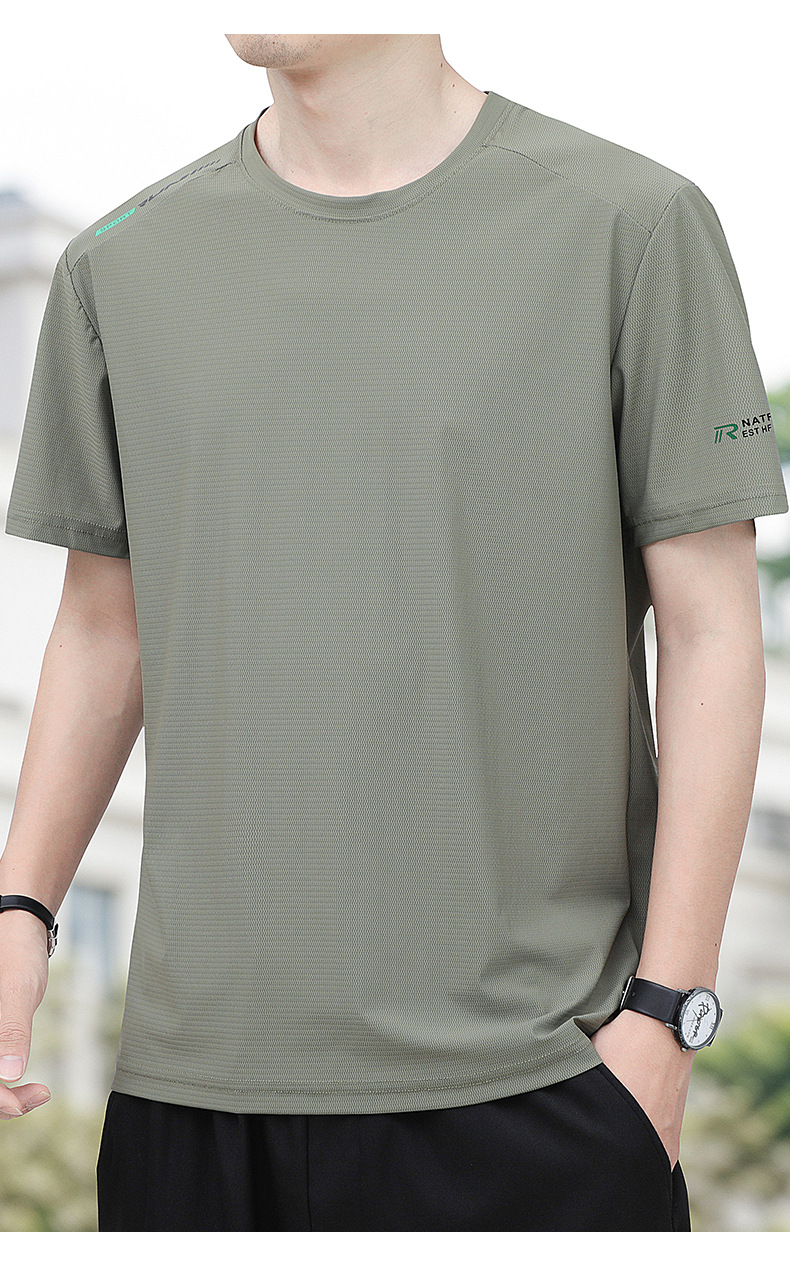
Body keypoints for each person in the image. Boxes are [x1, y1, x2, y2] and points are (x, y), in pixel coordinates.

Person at [0, 33, 787, 1232]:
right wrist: (21, 914)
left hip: (544, 1080)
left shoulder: (631, 226)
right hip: (189, 1098)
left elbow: (714, 632)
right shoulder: (122, 264)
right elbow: (105, 629)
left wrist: (667, 1018)